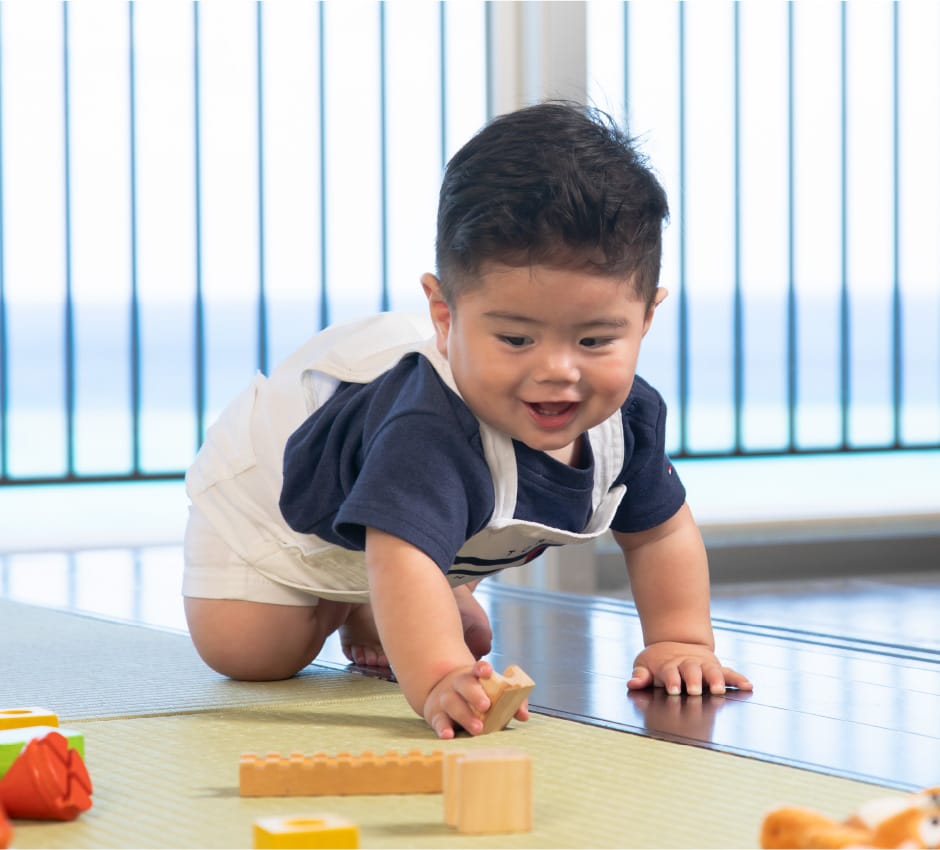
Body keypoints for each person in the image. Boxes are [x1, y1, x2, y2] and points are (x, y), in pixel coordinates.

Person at [182, 100, 752, 740]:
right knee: (253, 651)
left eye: (594, 342)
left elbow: (659, 534)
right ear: (445, 314)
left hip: (411, 541)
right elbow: (400, 556)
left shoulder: (629, 419)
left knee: (416, 578)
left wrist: (680, 640)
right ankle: (354, 604)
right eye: (516, 339)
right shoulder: (428, 422)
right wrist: (440, 676)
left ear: (646, 316)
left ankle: (396, 604)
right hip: (279, 501)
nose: (558, 371)